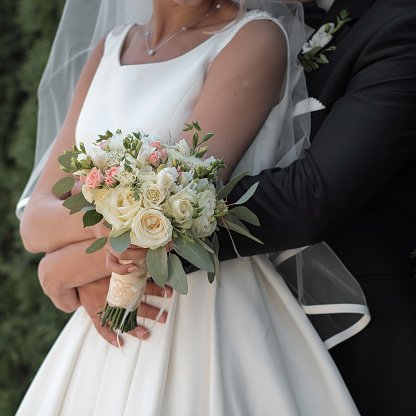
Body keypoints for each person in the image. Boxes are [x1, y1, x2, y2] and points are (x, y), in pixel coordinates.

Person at [17, 0, 363, 414]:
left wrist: (58, 269)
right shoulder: (109, 49)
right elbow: (35, 221)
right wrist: (95, 237)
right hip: (113, 313)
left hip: (204, 309)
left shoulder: (253, 38)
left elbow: (177, 216)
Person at [214, 0, 416, 414]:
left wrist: (152, 231)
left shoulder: (403, 25)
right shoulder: (272, 27)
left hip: (372, 346)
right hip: (254, 340)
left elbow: (312, 196)